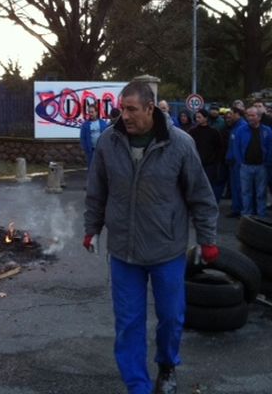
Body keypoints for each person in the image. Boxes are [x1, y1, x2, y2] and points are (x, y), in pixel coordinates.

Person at [83, 81, 219, 394]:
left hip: (166, 249)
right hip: (123, 252)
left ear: (150, 108)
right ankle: (138, 385)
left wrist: (208, 239)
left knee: (171, 318)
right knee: (128, 323)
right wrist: (91, 228)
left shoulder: (180, 144)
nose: (125, 116)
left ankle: (167, 365)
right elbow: (96, 191)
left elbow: (200, 194)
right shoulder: (108, 142)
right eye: (122, 109)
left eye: (132, 109)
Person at [233, 107, 272, 217]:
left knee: (261, 193)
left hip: (262, 167)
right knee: (246, 192)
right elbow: (236, 147)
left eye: (253, 115)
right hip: (245, 166)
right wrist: (240, 162)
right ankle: (247, 215)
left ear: (259, 117)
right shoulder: (241, 130)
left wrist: (267, 163)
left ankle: (261, 216)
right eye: (248, 115)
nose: (250, 118)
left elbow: (271, 148)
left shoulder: (267, 130)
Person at [189, 109, 225, 204]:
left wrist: (216, 160)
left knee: (209, 186)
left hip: (209, 164)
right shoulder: (193, 132)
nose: (197, 119)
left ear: (206, 118)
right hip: (196, 164)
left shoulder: (214, 132)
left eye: (199, 117)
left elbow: (219, 147)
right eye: (196, 117)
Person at [225, 107, 248, 218]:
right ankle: (236, 208)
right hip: (232, 162)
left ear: (237, 114)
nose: (229, 116)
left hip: (238, 162)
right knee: (235, 187)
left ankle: (241, 209)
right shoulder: (235, 126)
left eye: (231, 114)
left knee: (240, 187)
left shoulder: (242, 126)